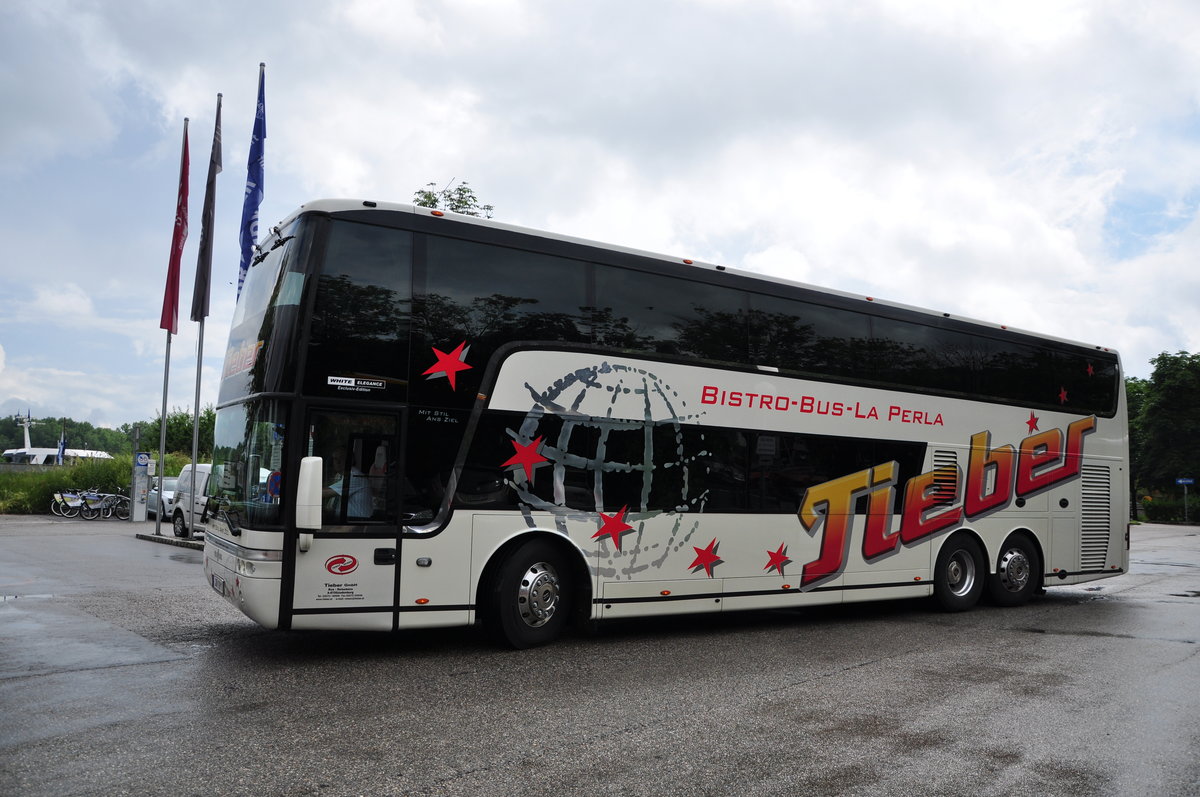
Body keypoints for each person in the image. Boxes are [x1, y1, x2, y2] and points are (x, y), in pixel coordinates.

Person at [323, 443, 374, 520]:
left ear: (351, 460)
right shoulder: (339, 476)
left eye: (342, 458)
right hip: (345, 522)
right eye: (335, 458)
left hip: (357, 526)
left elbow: (324, 493)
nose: (338, 462)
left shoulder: (354, 476)